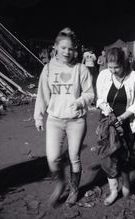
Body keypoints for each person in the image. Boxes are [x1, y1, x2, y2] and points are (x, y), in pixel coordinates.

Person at [34, 28, 94, 207]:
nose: (67, 52)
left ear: (75, 49)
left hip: (76, 120)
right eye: (63, 48)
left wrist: (80, 102)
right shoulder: (49, 68)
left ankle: (74, 189)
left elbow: (90, 94)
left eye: (71, 48)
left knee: (74, 156)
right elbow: (42, 94)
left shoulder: (81, 68)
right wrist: (38, 116)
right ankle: (60, 183)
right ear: (55, 47)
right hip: (54, 120)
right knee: (52, 158)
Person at [96, 47, 135, 206]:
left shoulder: (134, 76)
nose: (113, 71)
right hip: (108, 124)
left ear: (124, 63)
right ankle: (114, 190)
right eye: (110, 67)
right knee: (109, 157)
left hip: (128, 123)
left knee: (125, 155)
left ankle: (126, 183)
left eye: (116, 67)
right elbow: (99, 99)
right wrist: (106, 110)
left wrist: (122, 118)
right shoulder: (103, 75)